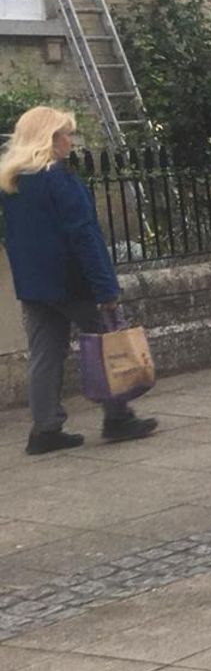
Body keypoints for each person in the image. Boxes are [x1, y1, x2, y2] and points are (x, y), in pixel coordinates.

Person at [0, 106, 156, 453]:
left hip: (36, 285)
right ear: (49, 139)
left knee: (44, 355)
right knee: (107, 343)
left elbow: (13, 237)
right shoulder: (58, 178)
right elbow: (83, 234)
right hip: (73, 281)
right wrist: (106, 286)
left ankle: (45, 429)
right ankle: (118, 417)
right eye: (65, 134)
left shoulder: (12, 181)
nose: (70, 141)